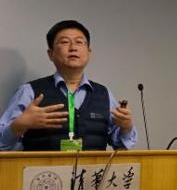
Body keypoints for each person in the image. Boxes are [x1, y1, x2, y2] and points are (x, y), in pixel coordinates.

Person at [0, 20, 137, 151]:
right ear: (51, 54)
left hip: (93, 168)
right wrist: (19, 125)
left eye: (79, 42)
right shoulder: (29, 91)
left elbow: (122, 146)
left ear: (89, 52)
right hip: (43, 168)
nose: (73, 48)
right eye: (65, 42)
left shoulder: (103, 93)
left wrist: (126, 127)